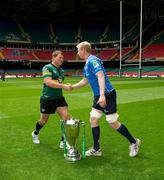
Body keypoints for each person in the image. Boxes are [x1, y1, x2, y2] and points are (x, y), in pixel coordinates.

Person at [71, 41, 141, 157]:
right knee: (93, 119)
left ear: (83, 50)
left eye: (78, 50)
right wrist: (72, 87)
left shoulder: (93, 61)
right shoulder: (87, 64)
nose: (77, 53)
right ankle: (96, 149)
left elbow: (101, 76)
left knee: (112, 121)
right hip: (99, 95)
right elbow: (85, 80)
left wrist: (102, 95)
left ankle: (134, 142)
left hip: (107, 94)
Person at [32, 50, 72, 148]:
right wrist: (63, 86)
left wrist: (66, 86)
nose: (62, 59)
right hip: (47, 99)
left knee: (66, 117)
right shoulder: (47, 67)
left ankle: (63, 141)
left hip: (59, 99)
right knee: (43, 120)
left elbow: (58, 83)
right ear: (53, 57)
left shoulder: (62, 71)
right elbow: (48, 82)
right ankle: (35, 133)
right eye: (60, 57)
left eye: (62, 58)